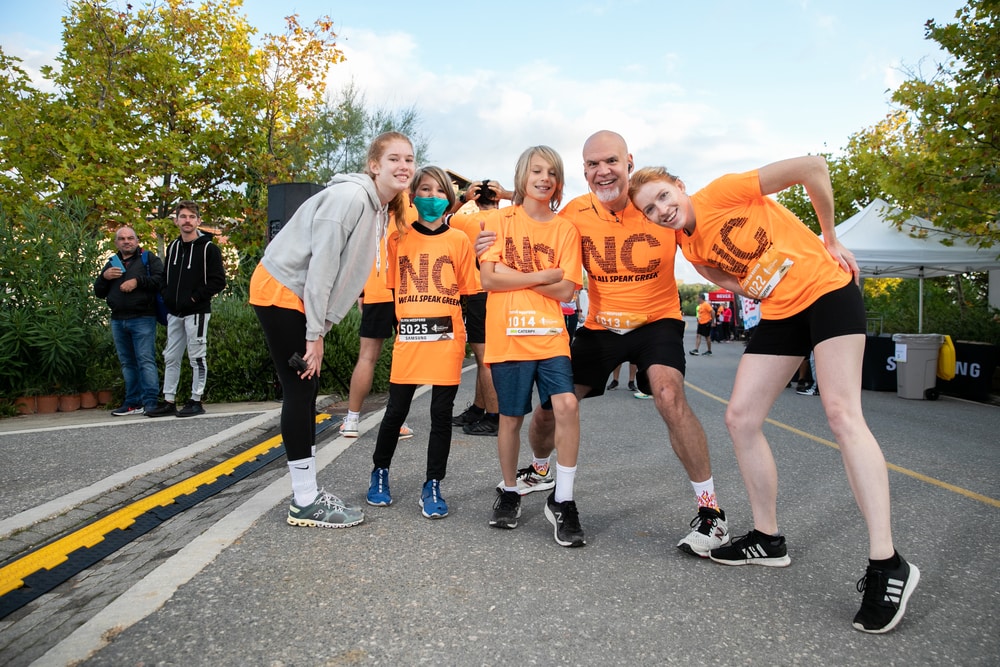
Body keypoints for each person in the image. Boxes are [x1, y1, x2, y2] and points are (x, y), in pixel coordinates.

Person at [629, 156, 919, 634]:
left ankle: (888, 564)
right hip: (783, 311)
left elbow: (813, 167)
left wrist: (830, 236)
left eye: (663, 196)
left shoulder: (722, 192)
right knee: (740, 418)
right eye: (649, 209)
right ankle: (768, 538)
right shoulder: (688, 245)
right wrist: (750, 288)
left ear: (680, 187)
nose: (660, 209)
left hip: (827, 290)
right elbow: (717, 274)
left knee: (842, 414)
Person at [477, 131, 729, 557]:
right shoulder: (575, 212)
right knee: (546, 413)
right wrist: (489, 228)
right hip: (601, 327)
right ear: (584, 172)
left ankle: (711, 512)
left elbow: (705, 257)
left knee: (669, 396)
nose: (602, 170)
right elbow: (533, 214)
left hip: (656, 322)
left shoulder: (656, 206)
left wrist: (751, 284)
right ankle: (541, 471)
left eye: (610, 161)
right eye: (592, 164)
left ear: (628, 161)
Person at [249, 131, 415, 529]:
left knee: (304, 391)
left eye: (409, 159)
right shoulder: (351, 199)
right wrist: (314, 334)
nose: (404, 166)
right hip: (284, 291)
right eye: (394, 158)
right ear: (374, 165)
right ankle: (305, 501)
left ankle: (306, 494)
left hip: (295, 295)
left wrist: (318, 324)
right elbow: (321, 269)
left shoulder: (377, 206)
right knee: (301, 388)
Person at [478, 145, 587, 548]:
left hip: (550, 334)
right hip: (508, 334)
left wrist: (515, 273)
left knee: (567, 405)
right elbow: (489, 279)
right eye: (537, 170)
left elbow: (566, 288)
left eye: (552, 173)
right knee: (510, 418)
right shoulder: (498, 219)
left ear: (558, 183)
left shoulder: (565, 230)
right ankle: (509, 491)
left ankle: (564, 498)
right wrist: (543, 272)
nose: (544, 178)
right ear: (523, 175)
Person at [365, 166, 478, 518]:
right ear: (413, 197)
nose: (431, 197)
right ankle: (379, 472)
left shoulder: (459, 240)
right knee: (396, 411)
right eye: (424, 190)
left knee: (440, 415)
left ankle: (433, 483)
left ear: (450, 198)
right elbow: (392, 290)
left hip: (447, 340)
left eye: (438, 191)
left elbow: (469, 292)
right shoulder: (397, 239)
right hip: (410, 340)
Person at [339, 197, 418, 440]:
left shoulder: (370, 208)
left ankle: (352, 420)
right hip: (408, 291)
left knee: (367, 357)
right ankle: (397, 422)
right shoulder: (413, 209)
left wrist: (361, 291)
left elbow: (357, 253)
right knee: (405, 358)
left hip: (376, 287)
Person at [146, 201, 226, 418]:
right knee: (171, 355)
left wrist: (193, 297)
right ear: (176, 221)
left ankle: (195, 400)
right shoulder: (173, 246)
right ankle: (169, 400)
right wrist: (166, 294)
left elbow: (218, 281)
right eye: (183, 216)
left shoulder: (209, 248)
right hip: (174, 312)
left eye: (192, 216)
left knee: (197, 356)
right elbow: (165, 276)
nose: (187, 220)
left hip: (196, 312)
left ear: (198, 220)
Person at [448, 180, 512, 437]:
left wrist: (464, 198)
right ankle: (478, 408)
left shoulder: (465, 222)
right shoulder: (510, 217)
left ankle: (494, 417)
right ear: (497, 198)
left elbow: (443, 216)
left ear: (477, 199)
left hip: (479, 293)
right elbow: (533, 201)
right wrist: (507, 193)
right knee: (485, 356)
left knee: (484, 358)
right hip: (504, 292)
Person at [94, 227, 164, 416]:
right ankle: (132, 402)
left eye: (130, 238)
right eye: (122, 239)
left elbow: (161, 279)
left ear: (137, 240)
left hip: (142, 317)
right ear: (116, 243)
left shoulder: (148, 259)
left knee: (145, 361)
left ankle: (150, 402)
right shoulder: (111, 263)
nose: (127, 241)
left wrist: (137, 281)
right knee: (127, 363)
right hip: (118, 320)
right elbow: (98, 292)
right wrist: (103, 277)